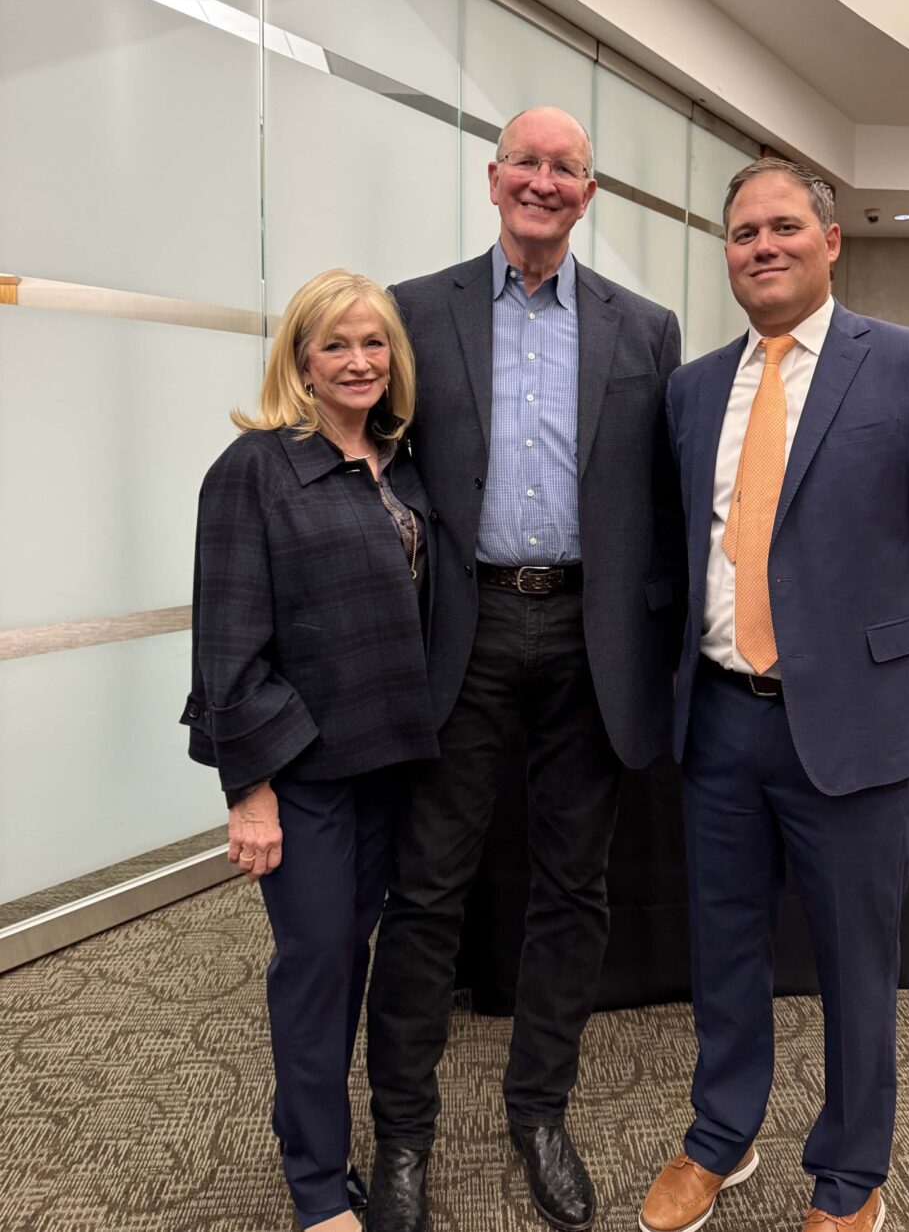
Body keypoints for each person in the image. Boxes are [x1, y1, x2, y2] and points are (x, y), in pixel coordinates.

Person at [639, 158, 909, 1232]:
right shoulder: (694, 387)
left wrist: (879, 653)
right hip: (717, 719)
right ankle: (721, 1135)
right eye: (742, 231)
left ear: (829, 240)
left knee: (854, 958)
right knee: (723, 943)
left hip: (849, 723)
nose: (762, 245)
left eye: (784, 226)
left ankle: (849, 1176)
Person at [365, 106, 684, 1232]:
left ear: (587, 195)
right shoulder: (412, 311)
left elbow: (661, 499)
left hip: (588, 639)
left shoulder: (643, 327)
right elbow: (373, 471)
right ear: (493, 177)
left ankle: (538, 1109)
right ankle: (400, 1136)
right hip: (464, 629)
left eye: (567, 168)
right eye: (527, 163)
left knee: (571, 890)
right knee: (427, 890)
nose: (543, 182)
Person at [182, 269, 439, 1232]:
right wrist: (248, 792)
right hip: (304, 774)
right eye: (336, 344)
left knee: (349, 961)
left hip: (392, 765)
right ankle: (318, 1190)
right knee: (315, 966)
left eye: (374, 343)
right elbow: (226, 647)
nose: (359, 361)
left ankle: (320, 1148)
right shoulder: (253, 470)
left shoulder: (397, 463)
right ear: (300, 357)